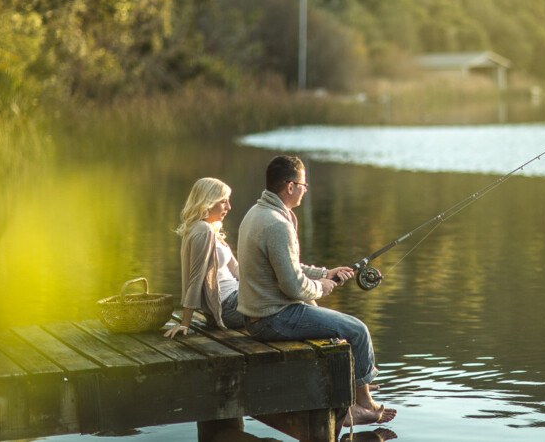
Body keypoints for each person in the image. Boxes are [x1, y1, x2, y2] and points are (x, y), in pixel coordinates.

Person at [237, 155, 395, 426]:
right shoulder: (278, 224)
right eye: (303, 184)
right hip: (272, 319)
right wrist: (321, 287)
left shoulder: (257, 213)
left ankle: (357, 389)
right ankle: (362, 404)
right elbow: (294, 286)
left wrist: (325, 273)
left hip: (258, 316)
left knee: (332, 320)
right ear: (289, 186)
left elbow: (288, 266)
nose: (305, 189)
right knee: (357, 330)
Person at [165, 177, 246, 339]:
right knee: (286, 290)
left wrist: (262, 282)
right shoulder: (203, 230)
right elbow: (195, 279)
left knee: (286, 286)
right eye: (223, 202)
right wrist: (185, 323)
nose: (229, 207)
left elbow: (236, 269)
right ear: (208, 201)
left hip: (237, 298)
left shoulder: (211, 229)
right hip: (228, 306)